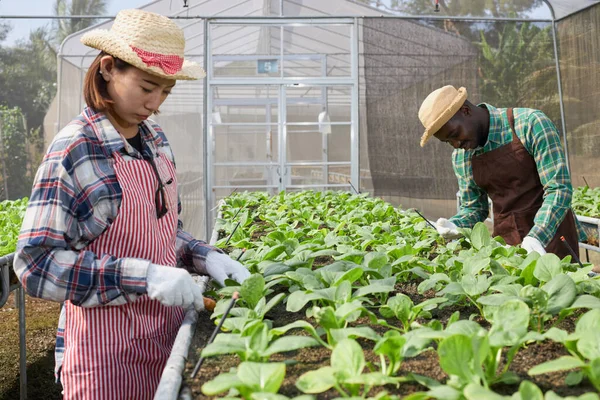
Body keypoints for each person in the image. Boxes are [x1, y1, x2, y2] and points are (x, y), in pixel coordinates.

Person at [13, 9, 250, 399]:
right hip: (104, 354)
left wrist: (204, 256)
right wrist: (145, 277)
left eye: (165, 91)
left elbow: (158, 232)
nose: (155, 103)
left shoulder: (155, 140)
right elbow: (36, 264)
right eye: (146, 87)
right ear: (108, 68)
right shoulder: (75, 149)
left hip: (166, 339)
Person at [418, 85, 586, 259]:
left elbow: (559, 188)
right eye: (447, 141)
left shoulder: (530, 124)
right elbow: (475, 207)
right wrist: (456, 224)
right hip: (507, 242)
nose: (455, 144)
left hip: (552, 235)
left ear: (465, 111)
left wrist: (537, 236)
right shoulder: (462, 157)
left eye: (454, 134)